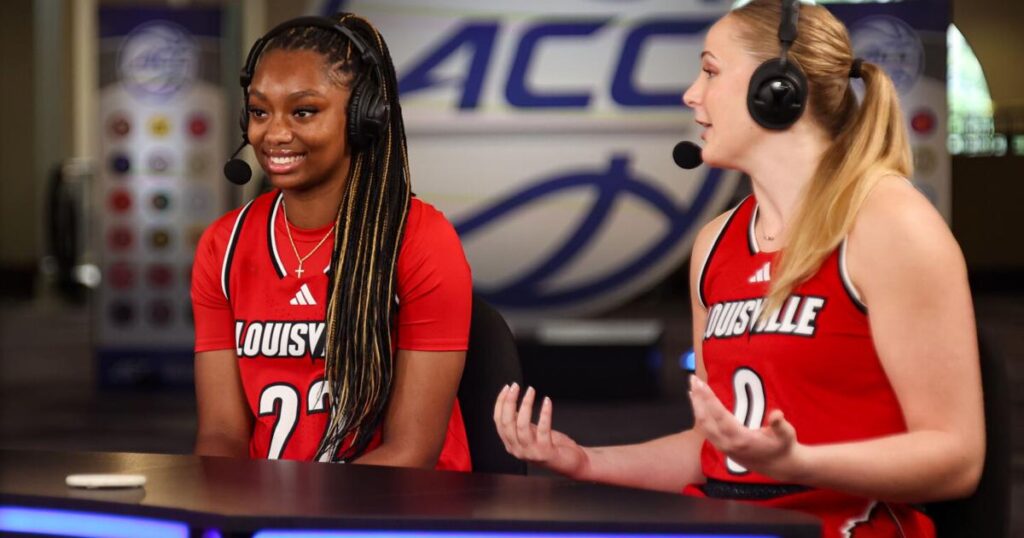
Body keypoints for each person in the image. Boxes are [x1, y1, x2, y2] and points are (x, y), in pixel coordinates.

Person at [493, 1, 984, 535]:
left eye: (710, 71)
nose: (691, 94)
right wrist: (584, 463)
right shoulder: (715, 243)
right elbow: (716, 450)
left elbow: (956, 459)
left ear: (777, 88)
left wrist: (800, 465)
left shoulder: (889, 224)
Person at [191, 13, 473, 470]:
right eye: (260, 112)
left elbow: (412, 451)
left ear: (363, 118)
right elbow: (220, 434)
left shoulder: (420, 240)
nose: (275, 134)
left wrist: (298, 519)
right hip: (269, 510)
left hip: (393, 510)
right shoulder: (223, 247)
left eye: (304, 111)